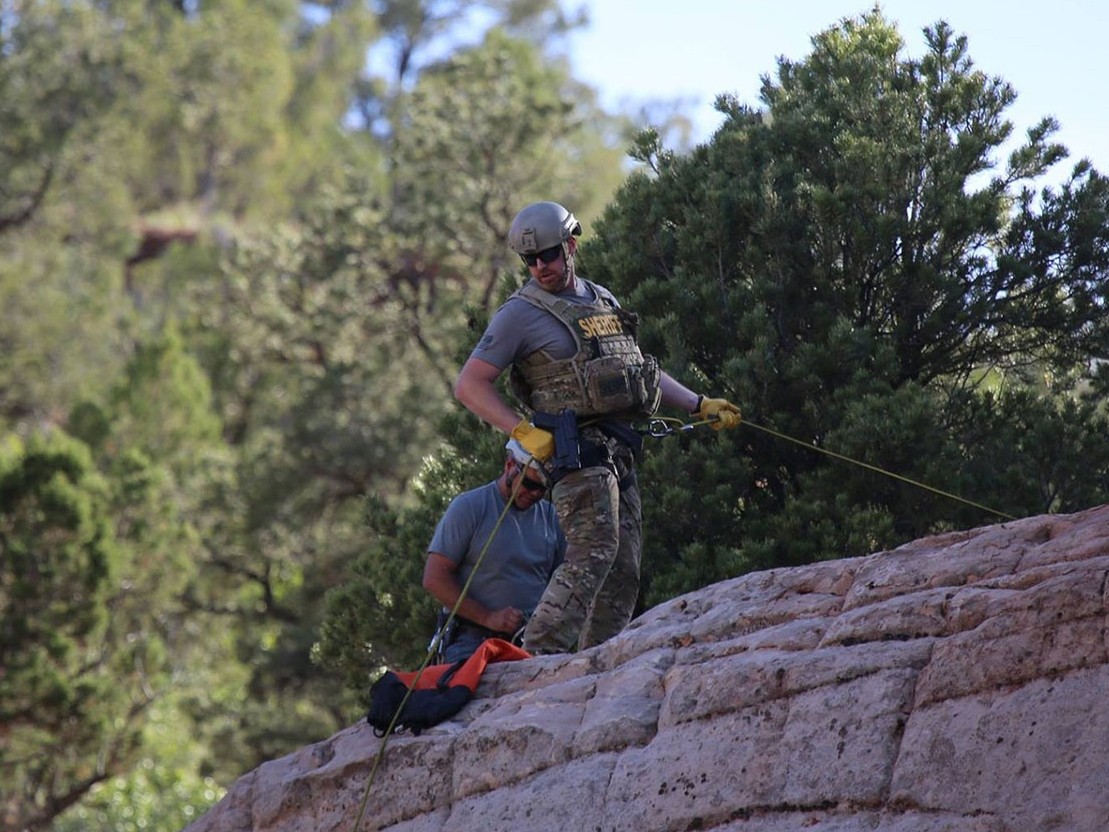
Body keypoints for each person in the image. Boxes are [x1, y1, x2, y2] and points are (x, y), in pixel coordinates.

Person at [454, 200, 741, 655]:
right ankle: (538, 657)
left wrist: (698, 403)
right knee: (594, 549)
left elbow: (638, 369)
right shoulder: (520, 313)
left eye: (548, 254)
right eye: (529, 259)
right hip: (572, 451)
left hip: (618, 450)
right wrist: (520, 432)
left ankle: (594, 663)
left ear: (570, 245)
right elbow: (470, 384)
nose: (539, 266)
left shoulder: (602, 299)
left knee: (624, 566)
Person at [422, 441, 566, 663]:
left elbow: (563, 579)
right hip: (472, 641)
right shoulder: (469, 507)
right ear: (509, 466)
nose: (535, 493)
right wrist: (488, 617)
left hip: (532, 641)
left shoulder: (550, 517)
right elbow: (434, 579)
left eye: (543, 488)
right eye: (529, 483)